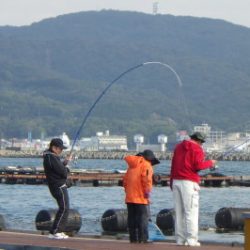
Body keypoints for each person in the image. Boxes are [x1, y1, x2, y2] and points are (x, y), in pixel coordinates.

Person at [170, 132, 217, 247]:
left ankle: (180, 240)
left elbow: (173, 164)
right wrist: (211, 162)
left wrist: (171, 181)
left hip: (176, 180)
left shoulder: (178, 147)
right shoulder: (197, 149)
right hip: (189, 182)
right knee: (191, 211)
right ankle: (191, 240)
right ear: (200, 141)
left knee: (179, 212)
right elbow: (198, 166)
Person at [123, 149, 160, 243]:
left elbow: (125, 181)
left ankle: (133, 238)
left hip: (129, 197)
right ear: (150, 159)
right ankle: (143, 238)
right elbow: (147, 180)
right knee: (143, 218)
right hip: (140, 197)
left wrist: (128, 192)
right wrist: (147, 193)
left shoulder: (131, 166)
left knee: (131, 218)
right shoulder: (146, 165)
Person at [43, 138, 72, 239]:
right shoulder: (51, 157)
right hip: (59, 186)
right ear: (54, 148)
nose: (61, 151)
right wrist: (67, 168)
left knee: (63, 208)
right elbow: (62, 172)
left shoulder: (50, 157)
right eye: (60, 149)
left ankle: (55, 231)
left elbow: (58, 168)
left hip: (56, 186)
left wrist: (65, 162)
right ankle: (56, 231)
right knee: (64, 208)